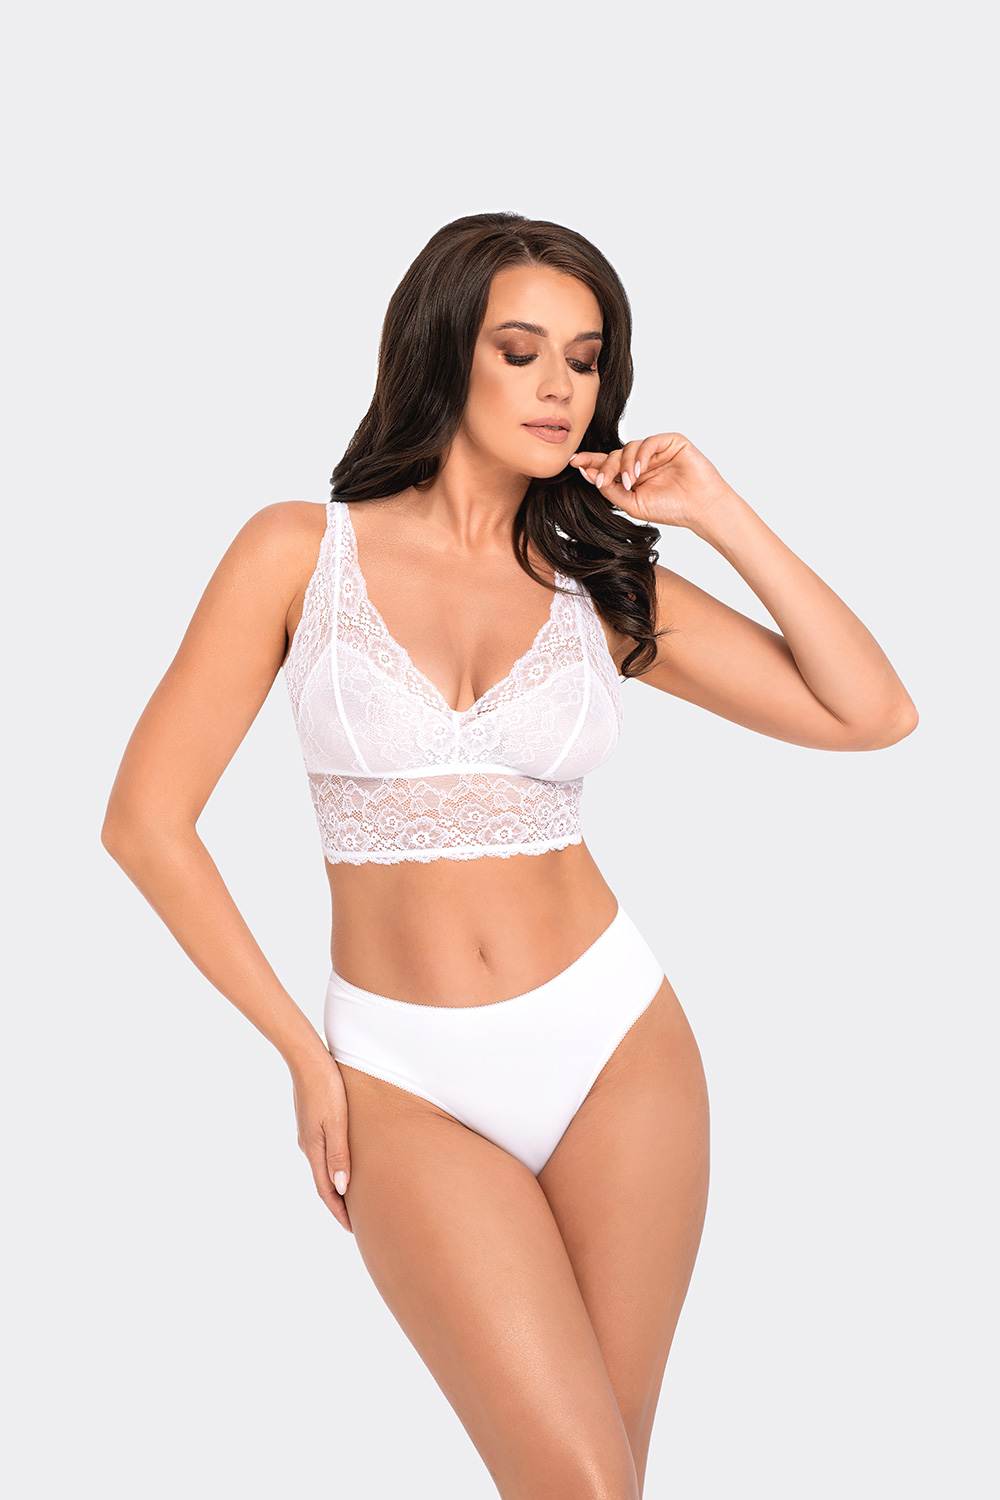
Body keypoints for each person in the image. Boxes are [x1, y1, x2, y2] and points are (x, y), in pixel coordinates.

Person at [102, 211, 918, 1499]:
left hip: (616, 1049)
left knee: (608, 1482)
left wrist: (717, 512)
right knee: (575, 1482)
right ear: (444, 353)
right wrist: (304, 1055)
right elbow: (145, 822)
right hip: (402, 1075)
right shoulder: (297, 553)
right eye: (521, 351)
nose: (559, 388)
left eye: (586, 361)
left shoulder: (600, 587)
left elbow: (871, 714)